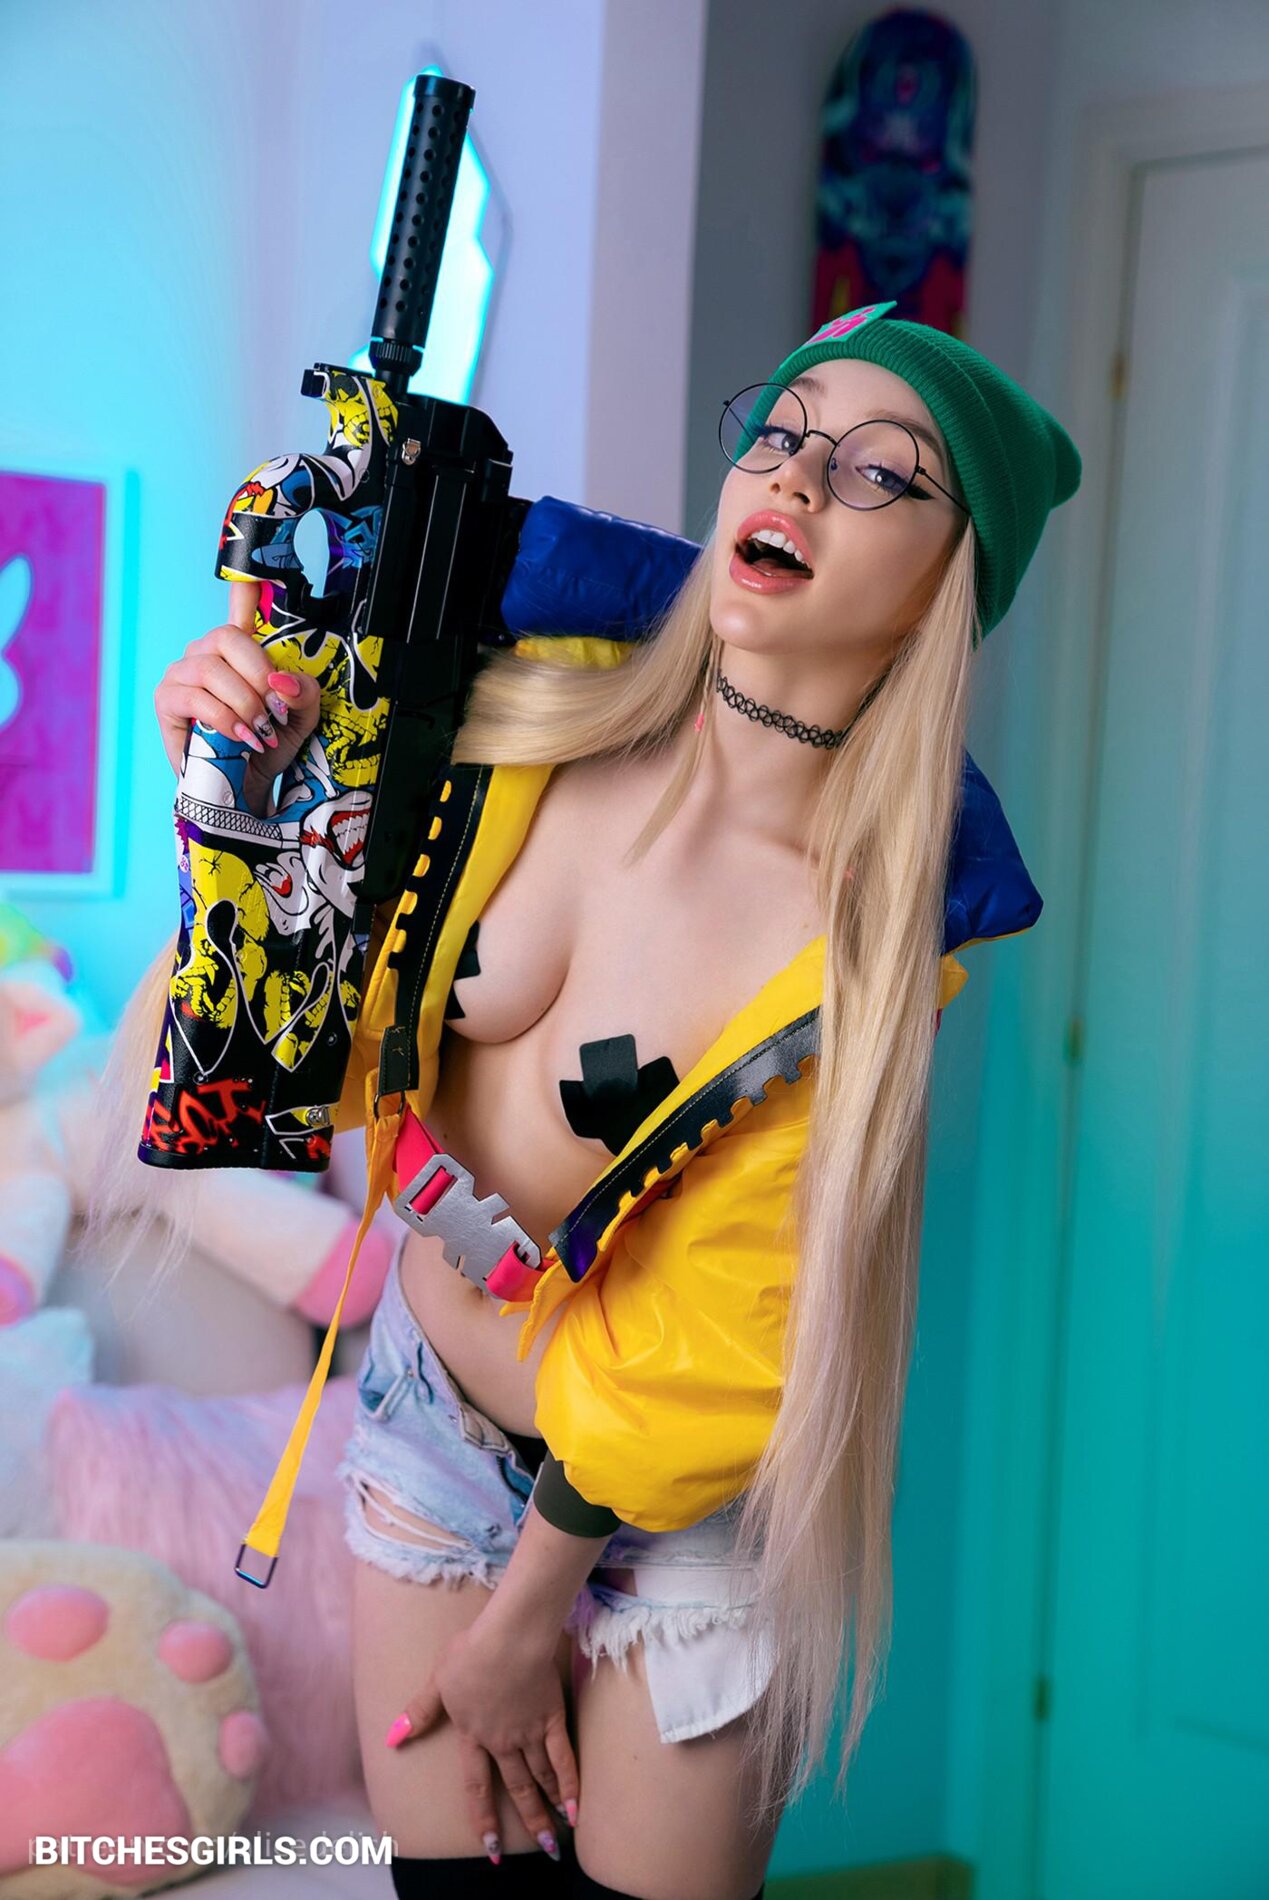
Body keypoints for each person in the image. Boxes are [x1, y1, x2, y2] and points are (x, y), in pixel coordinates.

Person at [95, 302, 1080, 1900]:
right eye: (780, 434)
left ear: (948, 584)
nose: (798, 477)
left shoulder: (857, 949)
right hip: (430, 1420)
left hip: (675, 1505)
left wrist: (523, 1620)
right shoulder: (514, 727)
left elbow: (718, 1344)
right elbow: (295, 1052)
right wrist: (243, 803)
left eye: (878, 473)